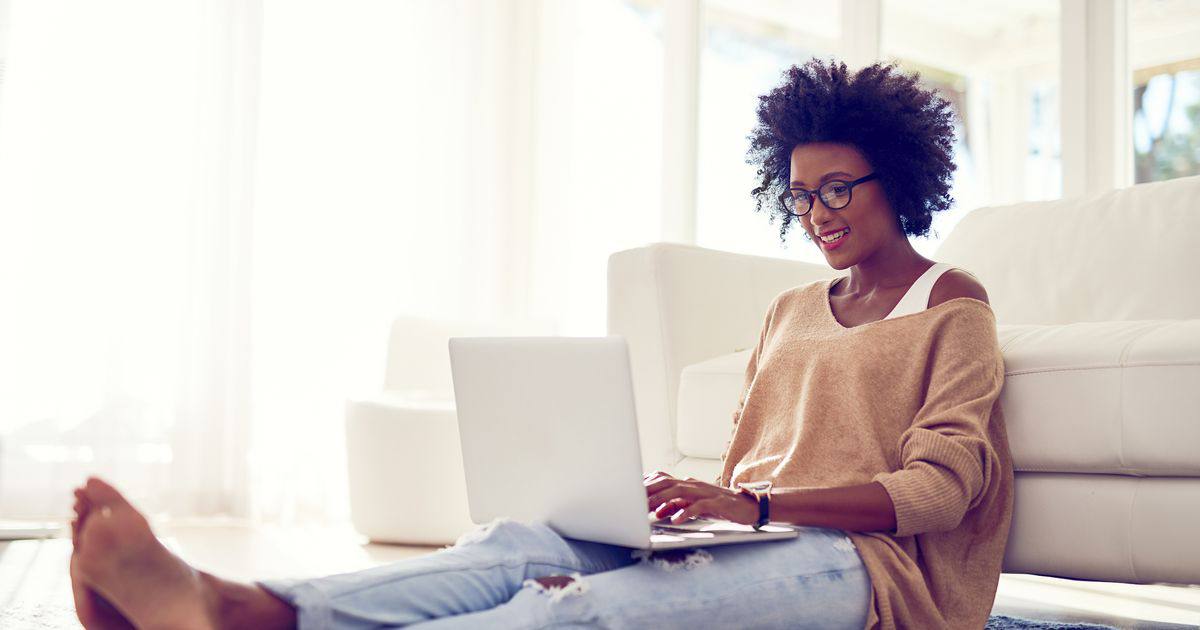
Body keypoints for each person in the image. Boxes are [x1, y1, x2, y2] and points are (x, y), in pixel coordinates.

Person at [68, 57, 1013, 630]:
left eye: (837, 189)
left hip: (869, 574)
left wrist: (756, 507)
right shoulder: (793, 308)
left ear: (897, 176)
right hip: (752, 534)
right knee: (521, 547)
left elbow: (940, 492)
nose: (817, 215)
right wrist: (684, 507)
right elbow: (745, 457)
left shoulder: (951, 307)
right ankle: (245, 607)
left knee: (584, 609)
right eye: (801, 196)